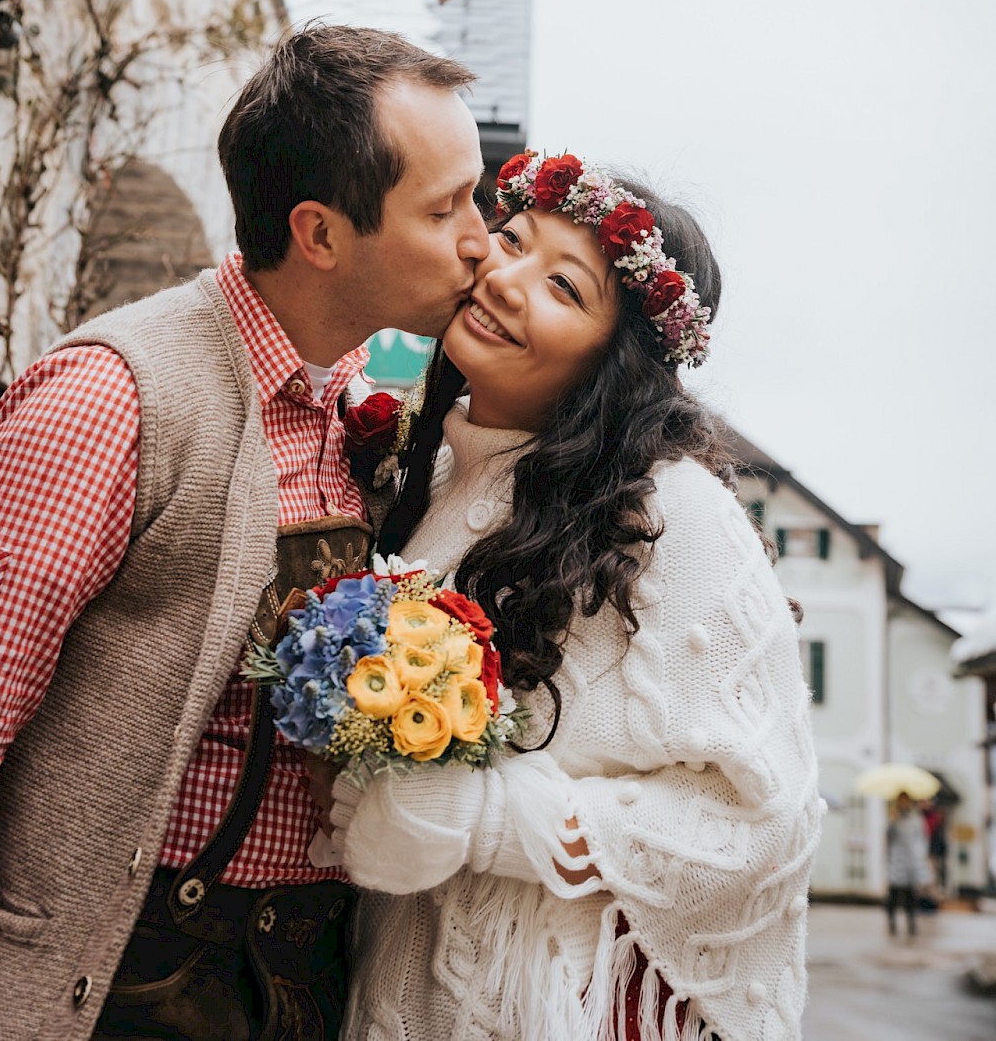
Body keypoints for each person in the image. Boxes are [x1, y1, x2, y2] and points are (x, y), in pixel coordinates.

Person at [0, 23, 490, 1041]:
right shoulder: (109, 398)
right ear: (319, 232)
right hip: (124, 971)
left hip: (302, 975)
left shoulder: (361, 410)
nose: (482, 237)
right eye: (445, 208)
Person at [324, 151, 823, 1041]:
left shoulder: (675, 513)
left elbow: (767, 820)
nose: (506, 280)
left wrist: (494, 819)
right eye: (509, 240)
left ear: (618, 360)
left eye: (563, 286)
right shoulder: (423, 472)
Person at [886, 792, 930, 937]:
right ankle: (892, 922)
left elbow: (922, 839)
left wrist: (920, 859)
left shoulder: (916, 820)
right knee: (894, 895)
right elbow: (888, 837)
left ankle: (911, 924)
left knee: (911, 896)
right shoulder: (894, 818)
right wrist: (891, 822)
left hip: (912, 862)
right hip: (896, 861)